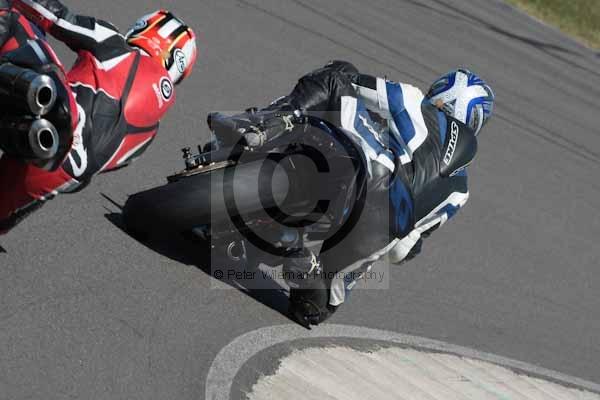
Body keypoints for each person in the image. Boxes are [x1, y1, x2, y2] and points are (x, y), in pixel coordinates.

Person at [241, 61, 494, 326]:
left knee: (338, 74)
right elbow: (401, 252)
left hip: (370, 171)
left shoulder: (414, 100)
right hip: (380, 232)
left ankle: (267, 121)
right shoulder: (460, 192)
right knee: (315, 309)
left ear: (444, 93)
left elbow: (352, 84)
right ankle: (300, 259)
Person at [0, 0, 197, 234]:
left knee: (12, 17)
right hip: (59, 174)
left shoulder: (115, 44)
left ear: (146, 28)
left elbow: (54, 16)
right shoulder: (150, 134)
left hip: (56, 110)